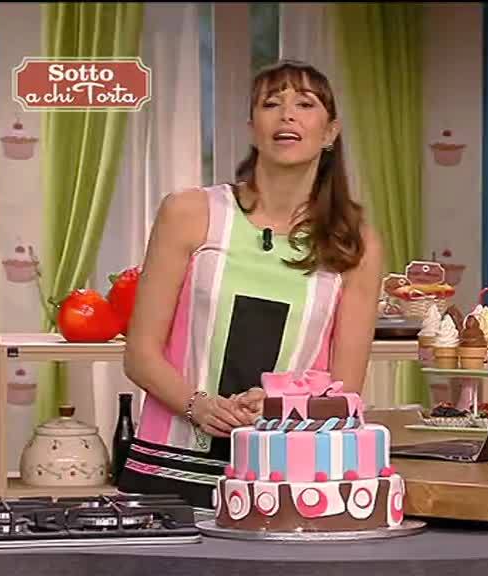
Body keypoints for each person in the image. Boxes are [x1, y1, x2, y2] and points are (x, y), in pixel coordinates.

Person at [117, 60, 384, 509]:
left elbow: (344, 390)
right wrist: (199, 405)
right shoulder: (189, 213)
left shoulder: (355, 243)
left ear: (330, 132)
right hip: (169, 470)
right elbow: (140, 354)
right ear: (251, 129)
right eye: (271, 103)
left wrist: (280, 407)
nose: (287, 115)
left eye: (305, 104)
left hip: (285, 479)